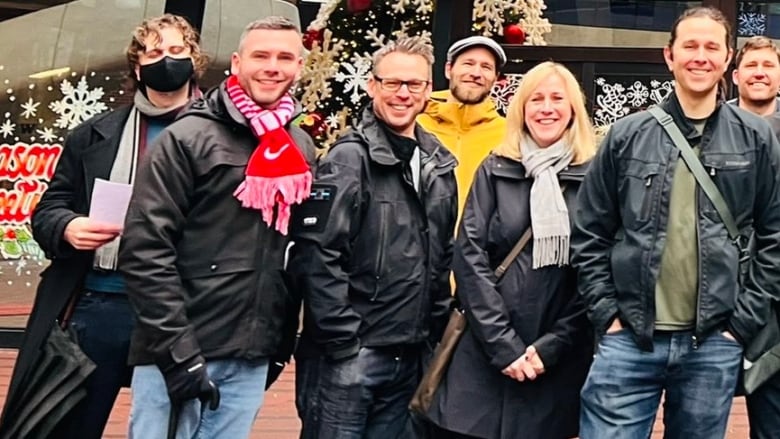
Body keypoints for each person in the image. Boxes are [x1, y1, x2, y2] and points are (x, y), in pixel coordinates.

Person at [572, 6, 780, 439]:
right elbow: (590, 231)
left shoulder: (757, 138)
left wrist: (740, 324)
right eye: (690, 46)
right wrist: (607, 314)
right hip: (628, 337)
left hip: (714, 341)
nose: (699, 56)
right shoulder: (627, 135)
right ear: (669, 56)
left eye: (711, 47)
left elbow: (775, 234)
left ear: (727, 60)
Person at [0, 14, 206, 439]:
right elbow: (48, 208)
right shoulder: (95, 134)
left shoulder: (221, 134)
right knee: (70, 426)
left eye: (175, 51)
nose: (164, 60)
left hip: (184, 309)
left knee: (168, 430)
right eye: (153, 52)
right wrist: (68, 227)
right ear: (137, 66)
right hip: (101, 305)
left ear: (193, 59)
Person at [117, 16, 316, 438]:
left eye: (284, 57)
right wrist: (178, 352)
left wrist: (278, 345)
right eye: (261, 55)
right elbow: (145, 248)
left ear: (299, 67)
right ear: (237, 62)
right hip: (179, 351)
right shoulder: (187, 136)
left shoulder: (298, 147)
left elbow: (294, 251)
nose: (272, 67)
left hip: (250, 355)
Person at [288, 36, 457, 439]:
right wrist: (344, 340)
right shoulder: (348, 159)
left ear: (428, 89)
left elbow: (443, 255)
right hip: (350, 357)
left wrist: (433, 334)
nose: (403, 94)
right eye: (392, 83)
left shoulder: (437, 163)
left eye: (413, 84)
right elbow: (316, 255)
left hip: (410, 355)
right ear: (372, 86)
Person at [422, 61, 595, 439]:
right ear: (521, 108)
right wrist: (505, 346)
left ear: (573, 110)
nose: (546, 108)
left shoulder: (594, 177)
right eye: (536, 99)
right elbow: (469, 257)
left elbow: (596, 272)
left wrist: (550, 348)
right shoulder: (496, 168)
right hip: (484, 351)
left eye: (556, 98)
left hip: (555, 359)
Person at [730, 35, 780, 439]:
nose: (760, 73)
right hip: (720, 287)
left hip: (776, 294)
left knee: (771, 411)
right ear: (735, 76)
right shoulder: (711, 126)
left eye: (768, 65)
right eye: (752, 65)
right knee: (698, 410)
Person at [417, 35, 506, 215]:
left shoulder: (509, 134)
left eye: (486, 67)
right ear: (449, 70)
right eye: (468, 63)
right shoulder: (415, 125)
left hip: (479, 242)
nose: (476, 73)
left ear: (495, 79)